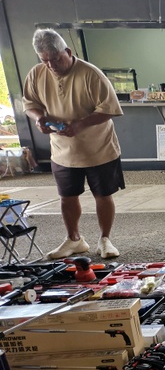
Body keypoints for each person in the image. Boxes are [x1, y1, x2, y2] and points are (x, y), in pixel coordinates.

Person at [23, 29, 125, 260]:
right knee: (67, 196)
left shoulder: (91, 74)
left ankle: (105, 239)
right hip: (62, 150)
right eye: (45, 60)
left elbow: (110, 109)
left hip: (99, 148)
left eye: (55, 59)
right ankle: (74, 239)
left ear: (68, 52)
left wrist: (80, 124)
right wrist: (38, 118)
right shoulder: (36, 74)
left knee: (103, 194)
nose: (51, 65)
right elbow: (30, 104)